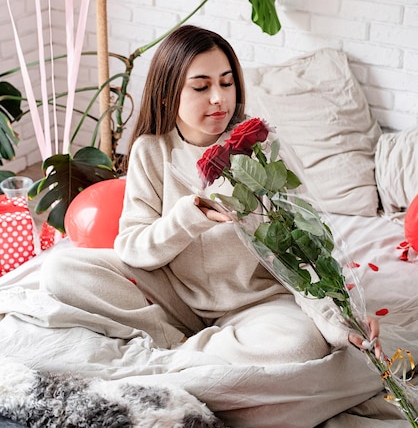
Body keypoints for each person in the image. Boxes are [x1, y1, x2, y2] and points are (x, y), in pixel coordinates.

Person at [40, 24, 380, 364]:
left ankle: (183, 355)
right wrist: (189, 217)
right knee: (59, 270)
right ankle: (178, 344)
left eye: (227, 83)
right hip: (174, 297)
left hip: (256, 303)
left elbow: (302, 245)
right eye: (201, 86)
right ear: (166, 94)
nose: (219, 98)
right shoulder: (151, 150)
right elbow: (132, 248)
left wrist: (333, 322)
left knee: (298, 345)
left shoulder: (259, 148)